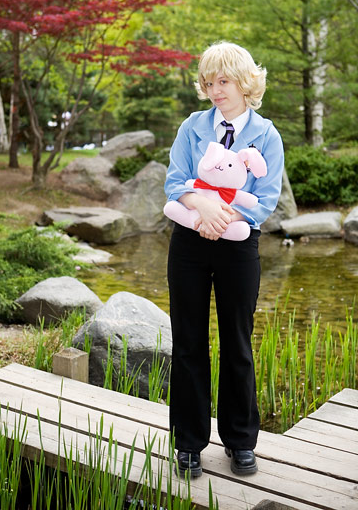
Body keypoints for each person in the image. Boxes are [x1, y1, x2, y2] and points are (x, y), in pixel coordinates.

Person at [164, 41, 284, 478]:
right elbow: (175, 181)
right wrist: (202, 207)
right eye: (208, 82)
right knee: (189, 342)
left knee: (237, 342)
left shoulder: (266, 135)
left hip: (238, 244)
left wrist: (222, 217)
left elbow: (264, 199)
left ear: (245, 81)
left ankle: (240, 441)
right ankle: (188, 444)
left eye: (223, 81)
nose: (215, 91)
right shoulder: (192, 127)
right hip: (189, 243)